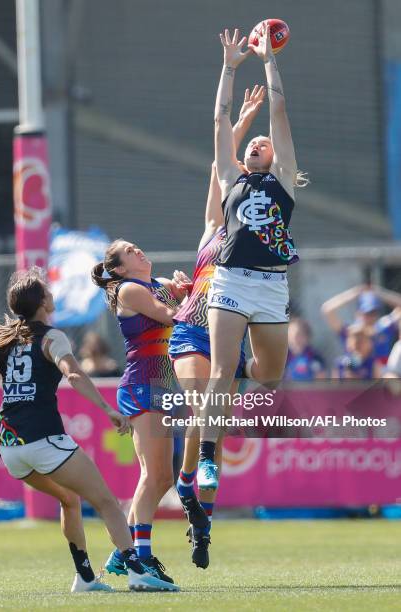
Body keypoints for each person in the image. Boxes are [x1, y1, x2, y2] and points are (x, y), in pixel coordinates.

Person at [0, 267, 177, 593]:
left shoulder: (1, 341)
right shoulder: (52, 336)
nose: (52, 295)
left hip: (9, 446)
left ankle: (85, 578)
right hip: (43, 439)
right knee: (107, 502)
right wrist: (107, 409)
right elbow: (74, 375)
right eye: (48, 292)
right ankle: (136, 571)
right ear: (42, 302)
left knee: (69, 499)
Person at [199, 25, 306, 490]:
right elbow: (220, 120)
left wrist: (268, 56)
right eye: (254, 142)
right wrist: (229, 66)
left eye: (265, 141)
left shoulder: (282, 179)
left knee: (271, 375)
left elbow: (279, 111)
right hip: (231, 280)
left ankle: (243, 365)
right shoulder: (230, 178)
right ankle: (207, 456)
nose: (259, 141)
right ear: (242, 158)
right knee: (220, 371)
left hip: (270, 285)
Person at [168, 84, 265, 568]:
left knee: (215, 433)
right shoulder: (213, 226)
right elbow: (216, 168)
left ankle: (201, 519)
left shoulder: (259, 235)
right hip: (190, 329)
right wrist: (242, 123)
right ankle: (188, 486)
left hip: (228, 335)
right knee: (202, 404)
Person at [92, 242, 187, 586]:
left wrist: (184, 290)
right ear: (118, 269)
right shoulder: (129, 289)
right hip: (142, 385)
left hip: (160, 385)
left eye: (137, 247)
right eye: (130, 251)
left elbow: (176, 307)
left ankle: (123, 554)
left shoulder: (155, 283)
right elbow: (171, 315)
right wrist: (191, 294)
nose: (139, 251)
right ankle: (141, 560)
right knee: (155, 475)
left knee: (162, 477)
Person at [321, 285, 401, 367]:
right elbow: (327, 309)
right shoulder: (351, 333)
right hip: (356, 375)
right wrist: (355, 293)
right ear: (359, 314)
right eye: (366, 313)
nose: (370, 317)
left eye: (373, 313)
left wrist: (379, 293)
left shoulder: (384, 328)